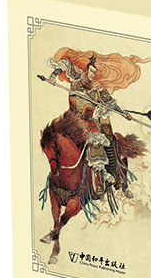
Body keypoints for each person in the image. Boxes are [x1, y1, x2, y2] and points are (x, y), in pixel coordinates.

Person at [48, 51, 137, 198]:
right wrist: (52, 77)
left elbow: (111, 104)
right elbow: (62, 66)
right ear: (87, 70)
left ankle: (100, 182)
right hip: (71, 120)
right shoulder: (77, 78)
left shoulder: (97, 89)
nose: (93, 74)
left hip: (89, 123)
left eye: (95, 72)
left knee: (97, 145)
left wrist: (124, 113)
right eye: (91, 71)